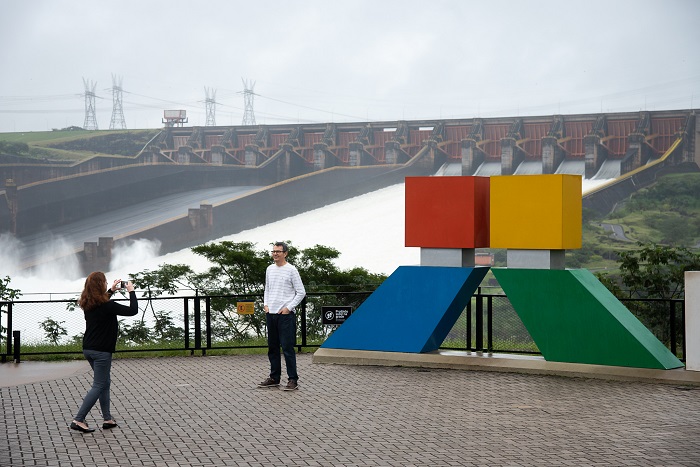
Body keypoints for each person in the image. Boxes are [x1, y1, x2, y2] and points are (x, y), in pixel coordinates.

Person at [69, 272, 138, 433]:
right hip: (101, 351)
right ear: (101, 285)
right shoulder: (108, 306)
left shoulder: (87, 303)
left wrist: (112, 290)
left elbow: (102, 301)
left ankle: (107, 419)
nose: (107, 284)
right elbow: (133, 310)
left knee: (104, 383)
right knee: (99, 385)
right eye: (106, 282)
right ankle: (78, 419)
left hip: (88, 349)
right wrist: (131, 291)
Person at [258, 241, 306, 391]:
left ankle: (293, 379)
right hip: (271, 313)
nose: (275, 254)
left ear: (285, 253)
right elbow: (267, 288)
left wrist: (288, 308)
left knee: (287, 348)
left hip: (285, 315)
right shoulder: (269, 269)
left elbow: (301, 292)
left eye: (278, 251)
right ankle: (274, 377)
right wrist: (265, 304)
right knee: (272, 347)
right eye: (273, 251)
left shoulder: (291, 270)